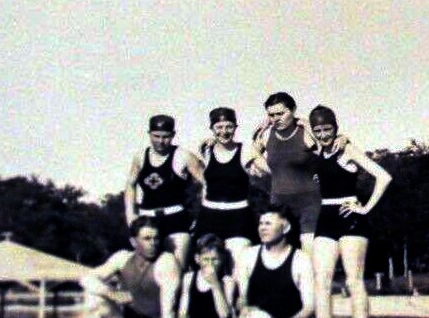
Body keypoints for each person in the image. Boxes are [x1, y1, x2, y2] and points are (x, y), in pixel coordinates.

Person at [307, 105, 393, 318]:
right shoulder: (316, 152)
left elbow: (383, 177)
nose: (324, 135)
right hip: (326, 217)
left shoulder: (348, 149)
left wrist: (365, 207)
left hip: (350, 218)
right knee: (320, 282)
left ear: (336, 127)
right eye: (318, 131)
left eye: (328, 129)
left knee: (353, 281)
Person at [125, 114, 206, 269]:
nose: (161, 141)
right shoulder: (141, 157)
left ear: (173, 135)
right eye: (156, 136)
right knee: (148, 270)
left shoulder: (184, 156)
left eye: (166, 137)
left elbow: (208, 183)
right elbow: (130, 185)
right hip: (147, 219)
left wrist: (202, 214)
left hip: (175, 219)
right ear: (149, 133)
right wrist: (131, 216)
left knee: (177, 269)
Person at [252, 92, 322, 253]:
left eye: (280, 114)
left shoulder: (305, 131)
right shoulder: (267, 134)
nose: (276, 118)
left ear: (293, 110)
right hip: (279, 202)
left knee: (308, 255)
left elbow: (327, 154)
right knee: (278, 253)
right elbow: (251, 156)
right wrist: (271, 170)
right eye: (271, 115)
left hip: (309, 202)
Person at [193, 107, 263, 266]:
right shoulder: (206, 150)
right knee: (207, 266)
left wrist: (258, 152)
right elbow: (205, 183)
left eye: (229, 127)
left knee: (239, 264)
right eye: (219, 127)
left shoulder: (245, 150)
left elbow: (268, 172)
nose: (224, 132)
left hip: (238, 216)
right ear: (211, 128)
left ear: (236, 128)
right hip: (209, 216)